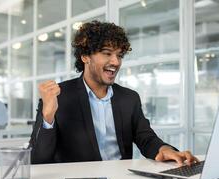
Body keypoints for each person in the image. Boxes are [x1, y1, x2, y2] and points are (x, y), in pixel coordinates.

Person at [29, 20, 198, 166]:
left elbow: (145, 138)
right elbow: (38, 160)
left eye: (119, 55)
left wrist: (165, 150)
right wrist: (48, 116)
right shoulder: (60, 96)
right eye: (107, 53)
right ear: (85, 56)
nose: (116, 62)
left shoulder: (129, 98)